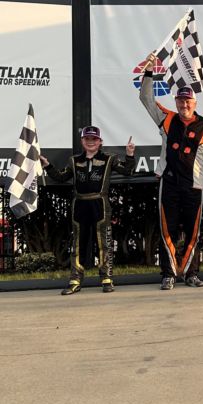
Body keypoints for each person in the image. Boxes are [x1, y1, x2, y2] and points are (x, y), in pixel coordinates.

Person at [139, 53, 203, 290]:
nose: (184, 105)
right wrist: (149, 71)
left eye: (188, 102)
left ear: (195, 103)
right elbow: (145, 98)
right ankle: (168, 274)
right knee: (166, 230)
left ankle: (191, 274)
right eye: (180, 101)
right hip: (168, 184)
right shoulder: (167, 119)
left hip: (194, 187)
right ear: (176, 102)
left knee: (193, 233)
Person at [41, 126, 135, 295]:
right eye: (87, 139)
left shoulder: (109, 158)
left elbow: (128, 171)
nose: (91, 142)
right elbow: (61, 177)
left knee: (104, 242)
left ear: (100, 141)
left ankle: (106, 278)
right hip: (80, 205)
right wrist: (47, 166)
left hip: (100, 203)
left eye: (94, 139)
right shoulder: (74, 160)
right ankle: (75, 279)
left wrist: (129, 154)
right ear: (82, 141)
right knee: (78, 244)